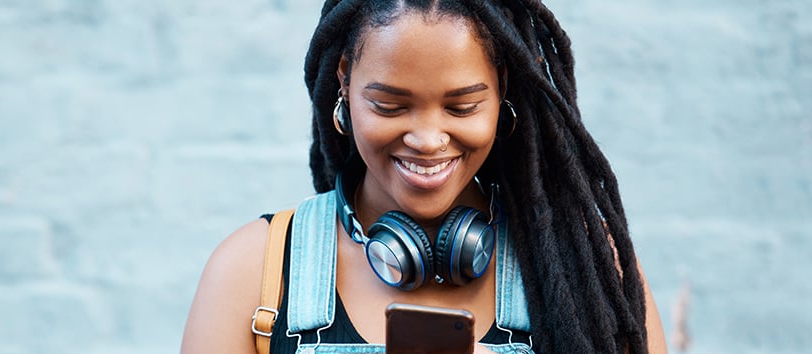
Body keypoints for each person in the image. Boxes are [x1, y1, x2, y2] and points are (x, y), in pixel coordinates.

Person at [182, 0, 668, 353]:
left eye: (462, 106)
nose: (429, 139)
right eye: (390, 105)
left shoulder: (591, 268)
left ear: (502, 91)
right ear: (344, 81)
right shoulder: (251, 272)